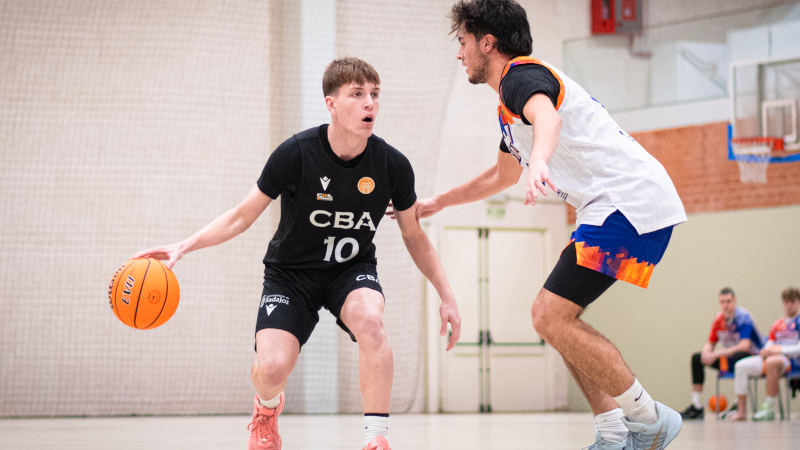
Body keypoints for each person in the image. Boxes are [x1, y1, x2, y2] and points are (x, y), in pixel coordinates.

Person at [132, 57, 462, 450]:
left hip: (350, 270)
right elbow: (241, 216)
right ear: (331, 104)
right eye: (357, 94)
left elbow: (414, 234)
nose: (370, 103)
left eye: (375, 94)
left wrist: (446, 295)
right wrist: (183, 246)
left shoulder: (392, 165)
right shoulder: (295, 154)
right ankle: (266, 409)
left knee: (372, 322)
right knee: (271, 369)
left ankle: (376, 438)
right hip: (290, 275)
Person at [417, 1, 688, 449]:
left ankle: (649, 418)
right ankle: (613, 434)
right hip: (608, 207)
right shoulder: (509, 107)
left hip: (627, 203)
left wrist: (540, 160)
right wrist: (439, 202)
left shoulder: (521, 77)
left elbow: (549, 118)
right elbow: (501, 175)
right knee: (558, 320)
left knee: (548, 315)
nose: (459, 53)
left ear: (488, 43)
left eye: (463, 42)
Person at [679, 287, 762, 420]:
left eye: (728, 301)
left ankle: (737, 403)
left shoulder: (743, 318)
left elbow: (744, 346)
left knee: (738, 356)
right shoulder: (719, 319)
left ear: (734, 300)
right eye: (722, 302)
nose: (725, 305)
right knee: (697, 358)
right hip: (729, 358)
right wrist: (707, 352)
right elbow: (711, 343)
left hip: (751, 358)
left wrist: (716, 354)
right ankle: (696, 406)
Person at [729, 287, 800, 421]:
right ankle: (741, 410)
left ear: (798, 303)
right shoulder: (777, 324)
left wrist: (779, 350)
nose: (789, 305)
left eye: (793, 302)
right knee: (741, 366)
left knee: (771, 362)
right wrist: (766, 351)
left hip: (792, 361)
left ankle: (770, 406)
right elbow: (769, 344)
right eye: (786, 302)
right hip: (773, 356)